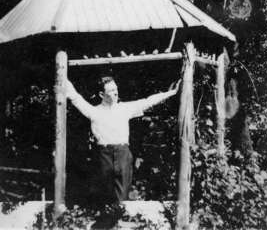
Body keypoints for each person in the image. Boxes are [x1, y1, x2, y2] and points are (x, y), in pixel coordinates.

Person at [66, 76, 181, 208]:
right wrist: (64, 80)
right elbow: (75, 98)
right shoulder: (94, 111)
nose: (116, 92)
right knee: (105, 199)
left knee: (122, 200)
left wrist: (171, 93)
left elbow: (148, 101)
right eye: (111, 90)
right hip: (103, 157)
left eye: (116, 89)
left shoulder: (125, 108)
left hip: (123, 155)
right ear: (101, 94)